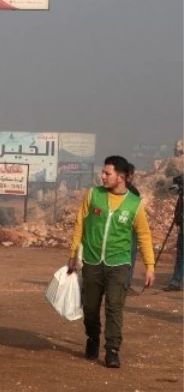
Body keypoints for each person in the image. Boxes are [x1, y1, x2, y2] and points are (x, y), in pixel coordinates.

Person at [67, 156, 155, 368]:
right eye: (103, 173)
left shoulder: (134, 205)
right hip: (92, 260)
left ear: (121, 177)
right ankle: (93, 338)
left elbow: (143, 235)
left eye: (108, 173)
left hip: (119, 263)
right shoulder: (93, 195)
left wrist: (150, 267)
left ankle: (113, 349)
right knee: (90, 307)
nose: (103, 176)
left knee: (114, 307)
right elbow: (81, 223)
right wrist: (73, 253)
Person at [166, 194, 184, 292]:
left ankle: (175, 281)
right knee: (180, 257)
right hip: (182, 231)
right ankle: (175, 282)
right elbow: (177, 213)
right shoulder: (181, 197)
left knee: (181, 257)